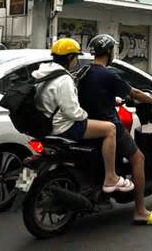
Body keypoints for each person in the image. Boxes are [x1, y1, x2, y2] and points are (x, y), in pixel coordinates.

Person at [78, 34, 152, 226]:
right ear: (109, 52)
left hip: (88, 123)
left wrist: (113, 99)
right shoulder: (108, 74)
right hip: (108, 123)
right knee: (138, 158)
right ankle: (141, 211)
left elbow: (93, 96)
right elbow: (134, 93)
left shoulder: (85, 72)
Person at [33, 39, 134, 194]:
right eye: (76, 57)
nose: (77, 61)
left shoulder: (43, 74)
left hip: (46, 125)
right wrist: (87, 114)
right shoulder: (64, 79)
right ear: (70, 58)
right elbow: (73, 112)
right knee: (110, 129)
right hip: (64, 127)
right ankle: (111, 177)